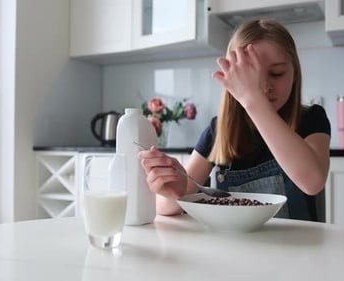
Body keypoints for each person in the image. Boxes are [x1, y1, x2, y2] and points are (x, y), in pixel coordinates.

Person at [138, 19, 331, 221]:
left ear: (295, 74)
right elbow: (167, 207)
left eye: (276, 73)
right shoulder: (219, 130)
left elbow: (312, 182)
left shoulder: (311, 118)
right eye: (250, 76)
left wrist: (254, 100)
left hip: (298, 249)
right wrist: (173, 191)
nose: (264, 86)